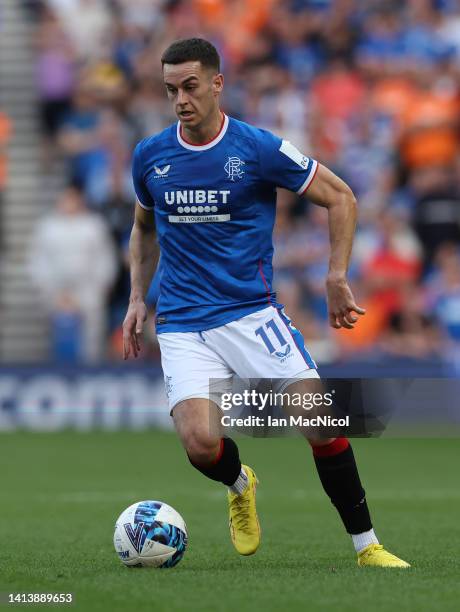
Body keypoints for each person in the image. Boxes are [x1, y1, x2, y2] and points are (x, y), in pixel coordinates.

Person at [123, 38, 410, 568]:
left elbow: (340, 196)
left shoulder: (257, 149)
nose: (181, 100)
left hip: (252, 314)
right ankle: (240, 482)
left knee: (321, 421)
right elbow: (143, 230)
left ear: (216, 83)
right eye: (170, 90)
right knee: (200, 445)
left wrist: (336, 274)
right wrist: (138, 296)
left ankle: (367, 547)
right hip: (184, 322)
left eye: (189, 86)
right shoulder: (151, 156)